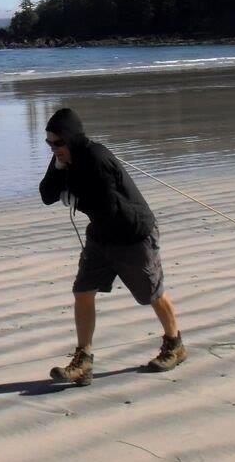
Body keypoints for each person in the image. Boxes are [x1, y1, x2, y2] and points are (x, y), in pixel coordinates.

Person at [40, 107, 186, 385]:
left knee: (151, 294)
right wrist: (59, 169)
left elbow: (108, 206)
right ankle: (83, 360)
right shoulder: (61, 158)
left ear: (70, 138)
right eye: (49, 144)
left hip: (133, 234)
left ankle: (175, 344)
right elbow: (46, 195)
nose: (54, 149)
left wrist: (76, 197)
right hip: (100, 236)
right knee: (83, 291)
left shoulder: (97, 157)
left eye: (58, 143)